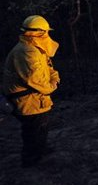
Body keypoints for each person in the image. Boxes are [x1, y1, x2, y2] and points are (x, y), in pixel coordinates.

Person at [2, 15, 60, 167]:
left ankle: (40, 149)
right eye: (45, 32)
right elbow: (35, 80)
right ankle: (31, 160)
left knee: (41, 126)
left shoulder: (35, 48)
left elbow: (48, 68)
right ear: (39, 32)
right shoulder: (27, 51)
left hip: (35, 99)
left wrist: (54, 78)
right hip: (28, 101)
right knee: (33, 129)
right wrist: (52, 87)